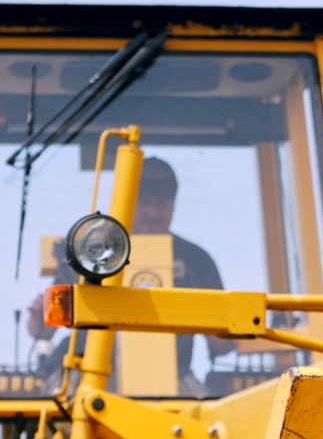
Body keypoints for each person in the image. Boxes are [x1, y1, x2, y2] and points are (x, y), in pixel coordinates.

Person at [24, 157, 223, 395]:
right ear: (129, 203)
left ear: (173, 206)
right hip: (89, 376)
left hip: (173, 379)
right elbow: (43, 330)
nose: (152, 212)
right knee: (57, 412)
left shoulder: (195, 260)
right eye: (145, 203)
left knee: (211, 421)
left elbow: (221, 345)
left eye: (161, 204)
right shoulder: (92, 251)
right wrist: (38, 317)